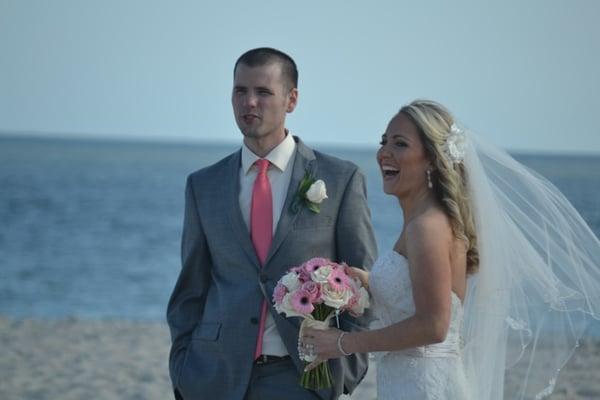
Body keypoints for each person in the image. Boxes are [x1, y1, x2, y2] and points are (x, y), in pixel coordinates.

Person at [302, 100, 600, 399]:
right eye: (384, 141)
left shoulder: (427, 228)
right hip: (410, 382)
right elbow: (420, 296)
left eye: (400, 144)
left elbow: (433, 326)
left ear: (432, 159)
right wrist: (366, 282)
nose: (384, 153)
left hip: (423, 387)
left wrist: (343, 343)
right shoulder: (427, 222)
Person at [166, 47, 377, 400]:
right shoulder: (203, 185)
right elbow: (190, 289)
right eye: (240, 91)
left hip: (301, 377)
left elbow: (364, 286)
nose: (249, 102)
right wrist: (184, 368)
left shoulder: (340, 180)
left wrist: (345, 367)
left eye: (263, 92)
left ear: (291, 99)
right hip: (214, 375)